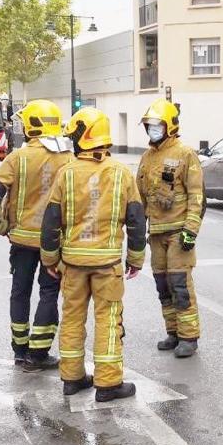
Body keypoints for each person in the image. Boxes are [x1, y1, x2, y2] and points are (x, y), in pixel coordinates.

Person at [40, 107, 147, 402]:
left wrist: (50, 259)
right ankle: (109, 384)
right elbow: (137, 220)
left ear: (84, 136)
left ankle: (72, 379)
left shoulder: (67, 173)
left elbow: (51, 221)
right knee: (108, 320)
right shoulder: (122, 173)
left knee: (72, 319)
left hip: (73, 265)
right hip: (107, 265)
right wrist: (136, 259)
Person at [0, 100, 73, 371]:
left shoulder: (18, 158)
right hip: (53, 243)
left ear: (32, 125)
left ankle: (20, 350)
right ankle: (39, 354)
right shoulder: (69, 158)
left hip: (21, 240)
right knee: (49, 292)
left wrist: (1, 227)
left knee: (20, 292)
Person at [137, 99, 205, 358]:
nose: (152, 130)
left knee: (179, 284)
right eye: (149, 126)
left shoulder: (185, 154)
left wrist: (191, 229)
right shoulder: (146, 158)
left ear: (170, 126)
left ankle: (189, 337)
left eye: (156, 125)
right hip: (156, 234)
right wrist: (136, 228)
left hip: (178, 233)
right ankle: (173, 332)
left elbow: (197, 195)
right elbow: (140, 197)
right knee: (163, 285)